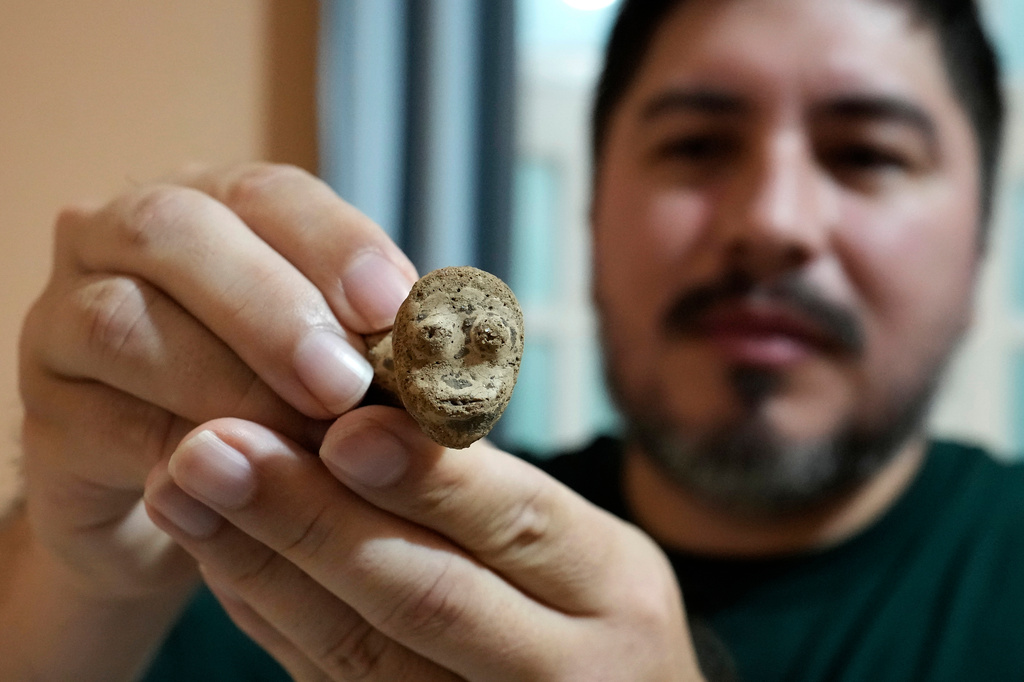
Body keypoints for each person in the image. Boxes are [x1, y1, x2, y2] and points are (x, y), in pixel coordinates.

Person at [1, 0, 1019, 679]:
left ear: (981, 246)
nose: (774, 220)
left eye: (865, 152)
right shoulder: (318, 554)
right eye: (697, 144)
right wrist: (78, 581)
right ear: (590, 218)